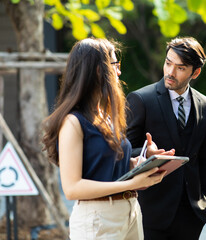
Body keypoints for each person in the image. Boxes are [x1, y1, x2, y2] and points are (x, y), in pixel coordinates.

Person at [41, 38, 172, 239]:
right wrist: (131, 184)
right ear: (96, 70)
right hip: (97, 218)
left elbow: (106, 166)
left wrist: (142, 162)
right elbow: (72, 188)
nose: (119, 72)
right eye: (114, 65)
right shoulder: (72, 122)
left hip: (129, 211)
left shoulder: (107, 115)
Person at [126, 37, 206, 239]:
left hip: (192, 214)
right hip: (152, 212)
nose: (170, 72)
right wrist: (146, 153)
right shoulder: (141, 99)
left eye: (180, 68)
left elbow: (203, 158)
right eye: (168, 63)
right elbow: (123, 151)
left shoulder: (205, 105)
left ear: (196, 72)